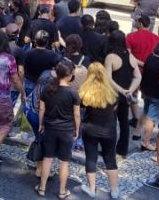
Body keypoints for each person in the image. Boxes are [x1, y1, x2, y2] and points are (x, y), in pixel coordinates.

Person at [37, 61, 80, 199]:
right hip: (66, 130)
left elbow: (41, 109)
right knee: (64, 162)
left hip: (49, 128)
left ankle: (42, 188)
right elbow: (77, 114)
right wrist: (77, 129)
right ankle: (62, 191)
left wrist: (41, 124)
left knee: (47, 159)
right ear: (69, 75)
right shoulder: (73, 93)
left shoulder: (47, 89)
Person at [78, 62, 121, 198]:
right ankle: (114, 191)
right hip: (109, 130)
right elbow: (114, 110)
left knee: (91, 158)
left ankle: (91, 189)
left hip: (90, 129)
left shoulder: (85, 92)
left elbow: (80, 109)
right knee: (110, 159)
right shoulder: (113, 93)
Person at [0, 31, 23, 164]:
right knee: (7, 123)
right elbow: (15, 79)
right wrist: (22, 93)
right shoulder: (9, 59)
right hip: (2, 96)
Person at [105, 30, 141, 158]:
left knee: (111, 123)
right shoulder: (130, 56)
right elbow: (138, 76)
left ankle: (109, 149)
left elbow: (108, 78)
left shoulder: (111, 57)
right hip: (126, 96)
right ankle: (122, 149)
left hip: (113, 95)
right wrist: (130, 90)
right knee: (124, 122)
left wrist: (121, 90)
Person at [139, 40, 159, 152]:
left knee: (147, 112)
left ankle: (140, 135)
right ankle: (146, 142)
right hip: (157, 93)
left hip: (146, 89)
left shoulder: (150, 57)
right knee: (151, 118)